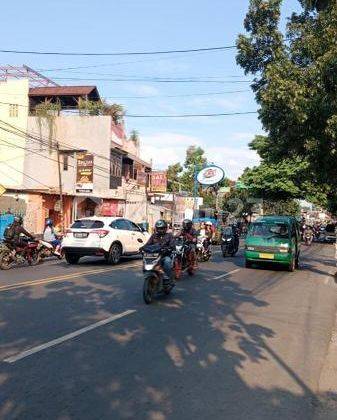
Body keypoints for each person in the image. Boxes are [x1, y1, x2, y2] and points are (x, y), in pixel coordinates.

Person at [143, 219, 175, 284]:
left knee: (167, 261)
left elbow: (172, 245)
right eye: (159, 228)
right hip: (154, 256)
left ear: (165, 228)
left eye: (162, 228)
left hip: (165, 255)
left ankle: (167, 278)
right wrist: (142, 248)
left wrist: (168, 248)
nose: (160, 230)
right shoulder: (154, 236)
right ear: (156, 229)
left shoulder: (169, 236)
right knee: (145, 260)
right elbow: (148, 244)